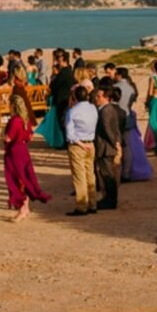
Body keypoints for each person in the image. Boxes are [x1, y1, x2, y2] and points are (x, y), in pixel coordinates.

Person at [3, 76, 50, 222]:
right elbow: (30, 137)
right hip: (23, 150)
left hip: (14, 152)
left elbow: (8, 139)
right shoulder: (25, 120)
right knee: (25, 178)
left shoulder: (14, 121)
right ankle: (26, 208)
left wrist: (2, 135)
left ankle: (22, 209)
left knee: (18, 181)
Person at [64, 85, 98, 216]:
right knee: (90, 174)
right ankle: (92, 203)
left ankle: (82, 205)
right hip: (90, 143)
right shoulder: (93, 108)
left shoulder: (72, 112)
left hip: (78, 145)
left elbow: (70, 134)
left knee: (79, 176)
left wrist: (81, 145)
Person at [93, 84, 123, 211]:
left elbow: (107, 129)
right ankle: (110, 199)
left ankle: (110, 200)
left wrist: (114, 143)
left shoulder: (105, 110)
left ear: (106, 97)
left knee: (108, 175)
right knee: (108, 174)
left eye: (99, 96)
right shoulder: (109, 109)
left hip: (105, 147)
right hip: (108, 146)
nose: (97, 98)